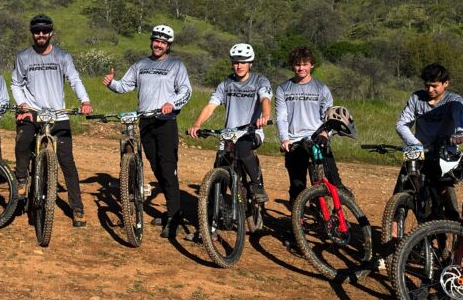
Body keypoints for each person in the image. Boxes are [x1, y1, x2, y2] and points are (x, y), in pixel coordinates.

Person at [103, 24, 191, 237]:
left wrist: (172, 103)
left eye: (163, 42)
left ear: (168, 46)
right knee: (156, 166)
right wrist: (111, 83)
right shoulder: (140, 64)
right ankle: (173, 210)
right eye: (156, 41)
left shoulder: (176, 64)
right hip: (146, 122)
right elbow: (125, 85)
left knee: (168, 168)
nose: (158, 45)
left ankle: (174, 216)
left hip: (165, 122)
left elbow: (186, 91)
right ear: (152, 42)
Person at [11, 14, 92, 228]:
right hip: (33, 111)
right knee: (23, 140)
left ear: (51, 33)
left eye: (45, 31)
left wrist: (85, 100)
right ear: (32, 33)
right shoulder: (23, 57)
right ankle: (21, 179)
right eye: (37, 31)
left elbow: (74, 79)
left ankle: (77, 208)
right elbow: (15, 84)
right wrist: (22, 105)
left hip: (58, 114)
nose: (41, 34)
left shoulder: (62, 56)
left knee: (67, 162)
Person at [188, 43, 272, 215]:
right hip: (229, 136)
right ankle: (215, 213)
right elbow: (211, 106)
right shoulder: (226, 84)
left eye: (243, 62)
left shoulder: (260, 81)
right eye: (235, 62)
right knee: (218, 171)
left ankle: (257, 185)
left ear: (250, 63)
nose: (239, 66)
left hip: (251, 132)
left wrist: (265, 115)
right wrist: (197, 124)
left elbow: (265, 99)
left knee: (243, 147)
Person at [275, 46, 334, 205]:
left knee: (324, 181)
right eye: (297, 64)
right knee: (297, 185)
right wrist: (284, 139)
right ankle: (296, 214)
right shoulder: (283, 89)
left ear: (311, 65)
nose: (301, 68)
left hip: (317, 139)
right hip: (294, 141)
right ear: (292, 65)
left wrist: (325, 133)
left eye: (305, 64)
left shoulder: (321, 88)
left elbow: (329, 115)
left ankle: (326, 210)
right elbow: (281, 117)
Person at [395, 63, 463, 152]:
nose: (430, 90)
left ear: (446, 83)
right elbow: (401, 125)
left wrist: (460, 131)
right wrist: (415, 143)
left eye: (434, 86)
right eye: (427, 85)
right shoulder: (416, 97)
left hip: (446, 151)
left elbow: (458, 113)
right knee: (401, 161)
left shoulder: (454, 100)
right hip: (418, 148)